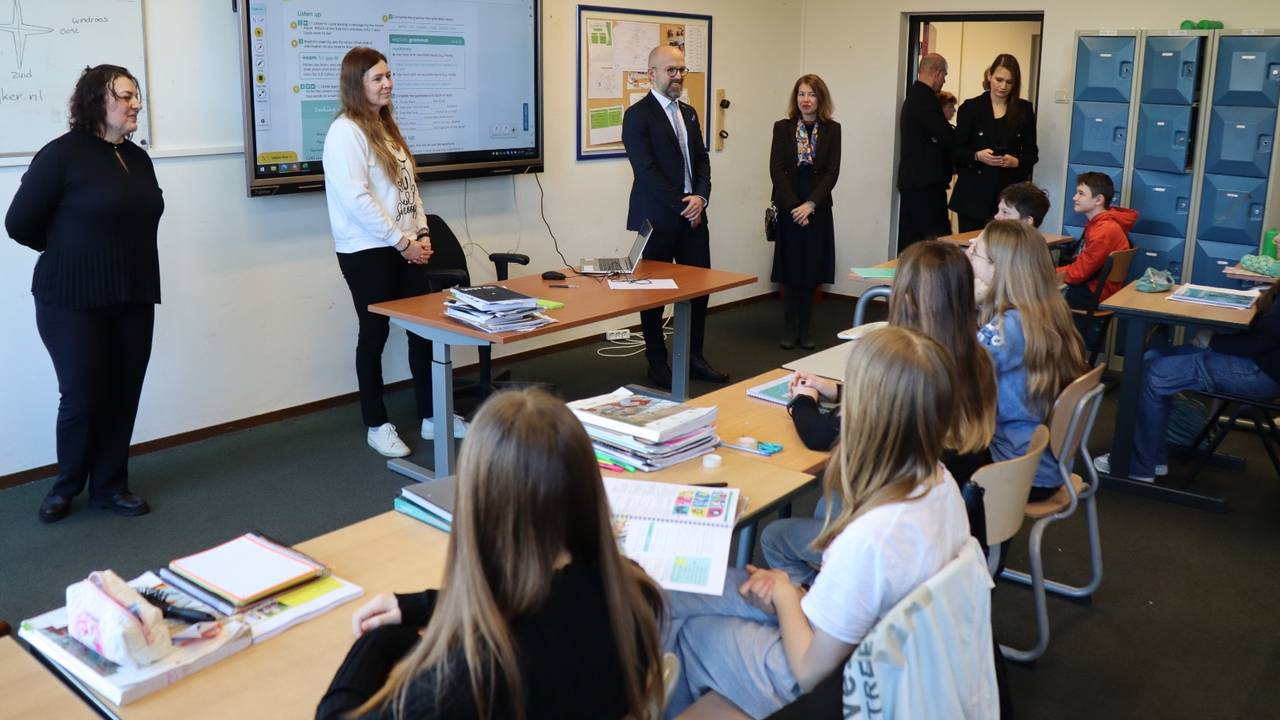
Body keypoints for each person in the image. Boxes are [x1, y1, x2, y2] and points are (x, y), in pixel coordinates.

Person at [664, 326, 973, 717]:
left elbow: (811, 672)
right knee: (680, 592)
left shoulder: (871, 537)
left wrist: (785, 595)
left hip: (828, 683)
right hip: (870, 648)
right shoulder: (940, 482)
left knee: (689, 627)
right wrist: (791, 594)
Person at [316, 389, 665, 719]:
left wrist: (378, 643)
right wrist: (423, 607)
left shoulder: (466, 682)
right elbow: (533, 598)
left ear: (478, 506)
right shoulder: (633, 593)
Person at [763, 240, 996, 584]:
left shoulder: (905, 363)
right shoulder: (976, 355)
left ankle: (826, 612)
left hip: (902, 538)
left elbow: (824, 436)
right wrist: (837, 390)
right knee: (834, 498)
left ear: (907, 298)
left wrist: (803, 400)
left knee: (776, 535)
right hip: (951, 528)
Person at [6, 65, 161, 523]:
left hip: (132, 293)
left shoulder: (138, 158)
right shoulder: (61, 155)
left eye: (137, 96)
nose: (136, 105)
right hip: (69, 298)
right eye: (126, 96)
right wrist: (69, 251)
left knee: (124, 391)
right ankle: (65, 487)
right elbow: (19, 223)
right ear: (98, 101)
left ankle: (111, 485)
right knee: (82, 393)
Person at [323, 47, 465, 459]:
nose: (387, 84)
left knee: (423, 330)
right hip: (367, 251)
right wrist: (403, 242)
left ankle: (431, 415)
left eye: (389, 76)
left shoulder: (385, 126)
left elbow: (408, 188)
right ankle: (376, 423)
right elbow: (357, 199)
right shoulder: (345, 132)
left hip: (404, 246)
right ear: (357, 84)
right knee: (375, 334)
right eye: (377, 78)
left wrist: (420, 231)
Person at [1094, 280, 1280, 482]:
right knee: (1151, 358)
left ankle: (1138, 466)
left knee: (1154, 374)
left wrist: (1214, 340)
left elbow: (1262, 341)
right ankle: (1154, 458)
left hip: (1258, 373)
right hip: (1256, 364)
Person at [622, 44, 727, 388]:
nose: (678, 76)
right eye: (671, 70)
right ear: (651, 73)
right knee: (652, 293)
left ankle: (693, 356)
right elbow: (647, 171)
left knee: (699, 290)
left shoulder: (690, 113)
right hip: (658, 218)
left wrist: (701, 197)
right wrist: (685, 204)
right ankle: (656, 361)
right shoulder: (638, 116)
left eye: (681, 70)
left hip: (694, 217)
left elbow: (702, 160)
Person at [969, 220, 1087, 501]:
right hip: (1046, 463)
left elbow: (954, 374)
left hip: (1018, 470)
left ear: (996, 270)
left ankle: (981, 539)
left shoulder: (1007, 327)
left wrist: (969, 303)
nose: (969, 248)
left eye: (976, 252)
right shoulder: (1046, 310)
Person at [770, 74, 841, 350]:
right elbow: (776, 169)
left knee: (811, 269)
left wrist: (810, 204)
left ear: (820, 98)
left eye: (811, 94)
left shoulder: (833, 129)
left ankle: (806, 329)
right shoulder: (782, 127)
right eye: (801, 94)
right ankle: (789, 329)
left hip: (818, 206)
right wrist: (793, 206)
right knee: (790, 269)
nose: (806, 100)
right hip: (789, 205)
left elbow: (832, 171)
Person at [951, 54, 1039, 232]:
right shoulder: (970, 108)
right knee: (971, 247)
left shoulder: (1024, 109)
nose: (1003, 86)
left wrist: (1017, 162)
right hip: (973, 192)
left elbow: (1032, 154)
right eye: (999, 79)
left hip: (1009, 194)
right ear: (989, 76)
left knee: (1005, 250)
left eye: (1009, 82)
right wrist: (977, 156)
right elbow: (955, 150)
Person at [896, 52, 954, 250]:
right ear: (937, 73)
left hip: (916, 181)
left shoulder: (915, 96)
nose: (944, 81)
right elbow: (944, 134)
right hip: (924, 183)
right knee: (933, 241)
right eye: (944, 76)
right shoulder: (925, 98)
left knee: (915, 238)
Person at [1058, 172, 1136, 310]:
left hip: (1095, 292)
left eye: (1081, 193)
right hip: (1096, 287)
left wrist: (1047, 273)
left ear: (1099, 199)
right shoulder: (1100, 224)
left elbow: (1078, 274)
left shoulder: (1104, 230)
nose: (1074, 197)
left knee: (1034, 293)